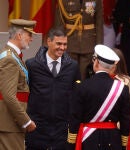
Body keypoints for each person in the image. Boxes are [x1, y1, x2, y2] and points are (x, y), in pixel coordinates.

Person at [25, 27, 81, 150]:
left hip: (62, 130)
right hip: (36, 128)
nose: (62, 48)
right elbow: (25, 95)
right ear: (49, 42)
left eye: (65, 44)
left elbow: (76, 96)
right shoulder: (32, 65)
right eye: (59, 44)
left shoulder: (73, 66)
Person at [67, 45, 130, 150]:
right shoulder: (122, 88)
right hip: (113, 141)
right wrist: (123, 144)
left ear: (96, 63)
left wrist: (71, 144)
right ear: (112, 67)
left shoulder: (82, 87)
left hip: (88, 140)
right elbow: (126, 121)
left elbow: (74, 118)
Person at [0, 19, 37, 150]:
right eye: (29, 35)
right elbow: (9, 96)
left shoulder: (12, 56)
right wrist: (26, 121)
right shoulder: (9, 59)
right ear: (19, 35)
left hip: (10, 123)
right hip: (9, 124)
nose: (31, 39)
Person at [54, 0, 103, 80]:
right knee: (69, 75)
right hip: (70, 43)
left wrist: (99, 48)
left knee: (84, 76)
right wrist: (60, 45)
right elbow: (59, 24)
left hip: (89, 43)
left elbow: (99, 24)